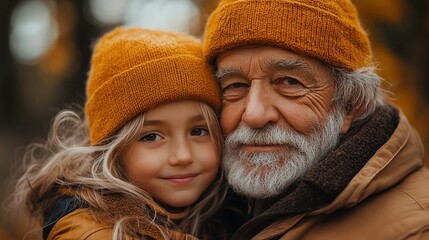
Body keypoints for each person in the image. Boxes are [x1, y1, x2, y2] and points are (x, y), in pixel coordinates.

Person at [202, 0, 429, 239]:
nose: (255, 115)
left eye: (290, 82)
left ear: (350, 106)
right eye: (235, 85)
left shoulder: (416, 230)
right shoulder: (200, 212)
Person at [10, 27, 228, 240]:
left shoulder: (215, 217)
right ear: (111, 147)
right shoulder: (92, 232)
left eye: (198, 131)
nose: (183, 156)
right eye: (151, 136)